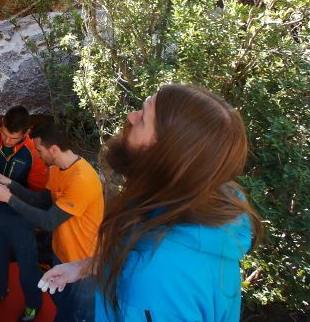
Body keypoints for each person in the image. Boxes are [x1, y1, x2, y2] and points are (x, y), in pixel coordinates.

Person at [38, 84, 262, 321]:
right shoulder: (194, 203)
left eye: (143, 117)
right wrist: (83, 266)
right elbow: (137, 248)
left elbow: (150, 270)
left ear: (164, 152)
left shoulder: (155, 279)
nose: (131, 117)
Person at [0, 124, 103, 322]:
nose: (38, 156)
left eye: (39, 151)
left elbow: (49, 221)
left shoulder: (82, 179)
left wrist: (9, 198)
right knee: (64, 308)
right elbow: (43, 200)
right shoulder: (58, 168)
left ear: (54, 149)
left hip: (85, 263)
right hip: (62, 254)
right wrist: (11, 184)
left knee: (82, 315)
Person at [0, 106, 49, 322]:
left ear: (26, 133)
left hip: (20, 216)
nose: (6, 141)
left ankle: (33, 304)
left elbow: (38, 193)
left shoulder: (34, 151)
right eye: (4, 134)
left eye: (13, 138)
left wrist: (11, 191)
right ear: (2, 121)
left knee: (27, 263)